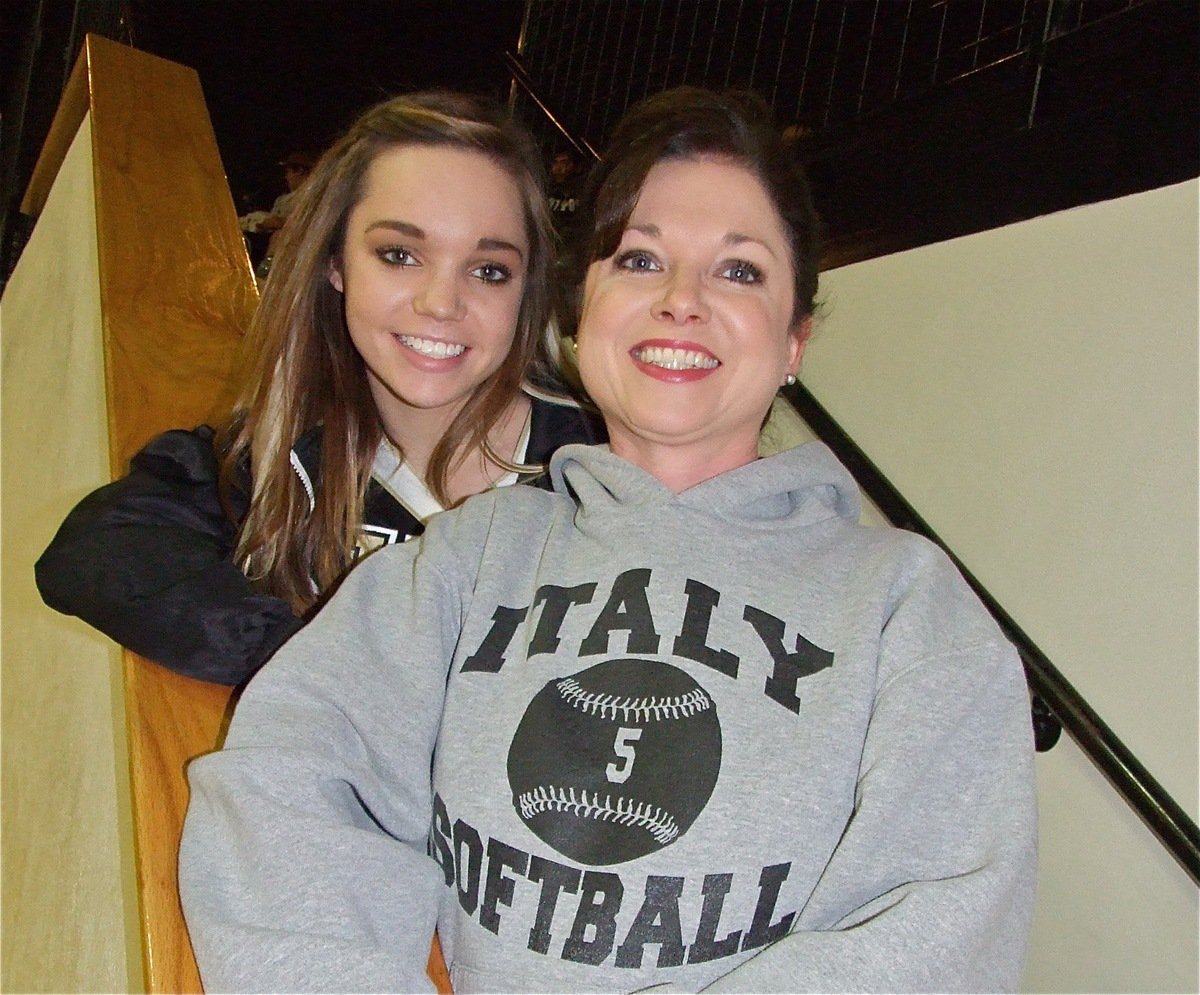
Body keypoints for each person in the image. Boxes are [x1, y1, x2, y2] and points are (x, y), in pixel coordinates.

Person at [179, 87, 1037, 992]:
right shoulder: (469, 557)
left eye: (739, 271)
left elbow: (945, 920)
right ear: (583, 311)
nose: (681, 302)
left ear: (795, 340)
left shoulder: (907, 600)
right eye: (640, 258)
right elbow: (289, 778)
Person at [34, 91, 602, 686]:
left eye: (489, 271)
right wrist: (323, 665)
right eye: (399, 254)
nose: (441, 303)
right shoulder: (281, 452)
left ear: (527, 289)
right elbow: (94, 553)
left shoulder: (592, 471)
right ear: (335, 263)